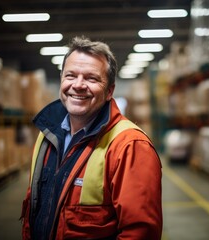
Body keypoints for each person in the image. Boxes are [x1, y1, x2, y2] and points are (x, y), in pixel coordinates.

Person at [20, 36, 163, 240]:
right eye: (70, 76)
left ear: (109, 91)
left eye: (91, 78)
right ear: (61, 80)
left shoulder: (129, 146)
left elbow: (140, 233)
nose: (78, 85)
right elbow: (33, 210)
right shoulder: (46, 136)